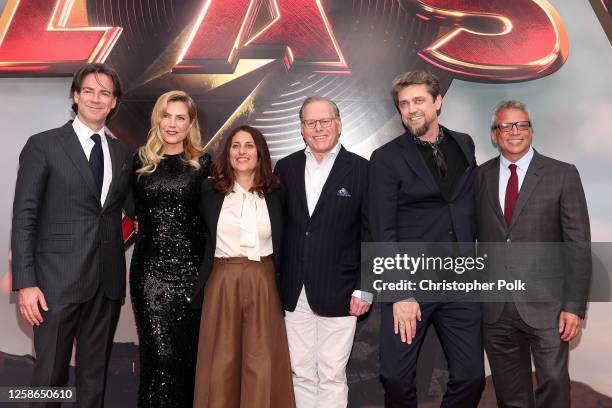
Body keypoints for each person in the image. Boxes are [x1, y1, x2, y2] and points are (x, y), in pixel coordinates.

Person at [11, 63, 133, 407]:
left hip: (106, 285)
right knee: (49, 379)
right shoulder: (43, 145)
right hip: (54, 285)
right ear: (76, 96)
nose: (96, 99)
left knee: (94, 384)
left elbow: (140, 208)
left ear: (114, 103)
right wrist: (25, 282)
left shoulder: (123, 154)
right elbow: (25, 217)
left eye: (105, 93)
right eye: (89, 91)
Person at [368, 70, 484, 407]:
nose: (411, 109)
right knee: (395, 377)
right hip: (411, 282)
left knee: (471, 376)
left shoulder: (464, 143)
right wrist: (400, 292)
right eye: (404, 104)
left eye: (418, 100)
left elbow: (463, 204)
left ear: (437, 101)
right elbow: (382, 231)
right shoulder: (386, 158)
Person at [476, 100, 591, 408]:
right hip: (496, 308)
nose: (514, 131)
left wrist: (574, 307)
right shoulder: (478, 178)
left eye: (521, 124)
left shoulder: (562, 174)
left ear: (530, 130)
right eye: (506, 125)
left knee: (554, 382)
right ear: (493, 134)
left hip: (549, 308)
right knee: (510, 396)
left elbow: (578, 245)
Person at [274, 96, 371, 408]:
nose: (318, 128)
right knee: (300, 372)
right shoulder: (285, 168)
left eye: (325, 121)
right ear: (301, 129)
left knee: (331, 373)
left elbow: (372, 233)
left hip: (342, 291)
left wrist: (365, 288)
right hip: (293, 290)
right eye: (310, 123)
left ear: (338, 125)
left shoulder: (362, 170)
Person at [191, 125, 295, 408]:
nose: (242, 152)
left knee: (261, 362)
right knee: (221, 362)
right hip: (222, 280)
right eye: (235, 146)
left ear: (260, 152)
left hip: (263, 280)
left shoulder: (276, 191)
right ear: (227, 153)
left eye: (249, 145)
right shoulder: (209, 190)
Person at [130, 90, 211, 407]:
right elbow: (122, 208)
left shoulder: (203, 163)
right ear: (157, 119)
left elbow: (214, 222)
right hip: (149, 279)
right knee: (158, 360)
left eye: (181, 117)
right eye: (167, 115)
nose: (173, 123)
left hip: (192, 278)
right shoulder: (139, 161)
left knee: (188, 361)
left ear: (190, 123)